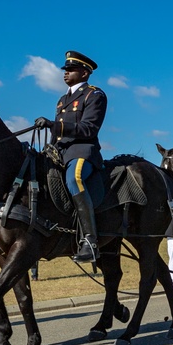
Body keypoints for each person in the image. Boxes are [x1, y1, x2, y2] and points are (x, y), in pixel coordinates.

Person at [35, 51, 108, 262]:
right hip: (60, 152)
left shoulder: (94, 95)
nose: (65, 73)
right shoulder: (62, 100)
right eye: (65, 70)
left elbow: (88, 129)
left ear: (85, 73)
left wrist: (53, 124)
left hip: (82, 151)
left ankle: (90, 241)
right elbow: (56, 135)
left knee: (74, 179)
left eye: (70, 69)